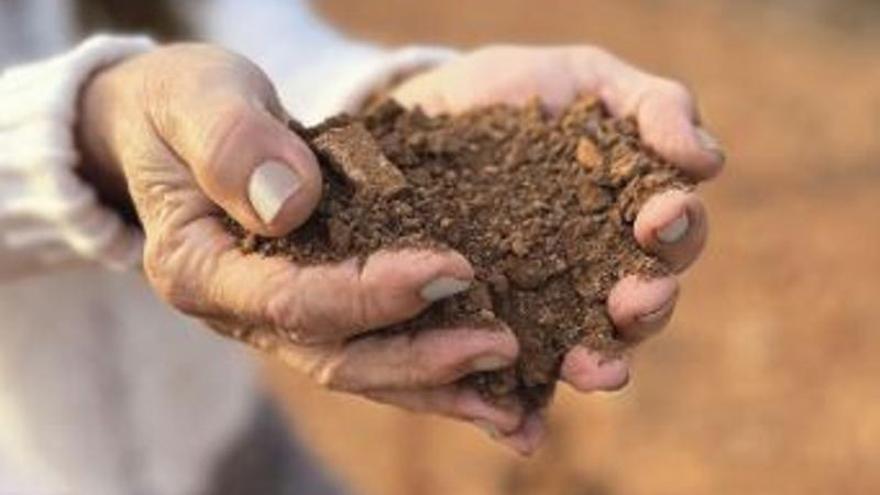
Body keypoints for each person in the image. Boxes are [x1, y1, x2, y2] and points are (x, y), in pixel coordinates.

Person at [0, 0, 724, 493]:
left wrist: (392, 99)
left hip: (238, 451)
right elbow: (163, 106)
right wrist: (92, 129)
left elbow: (257, 37)